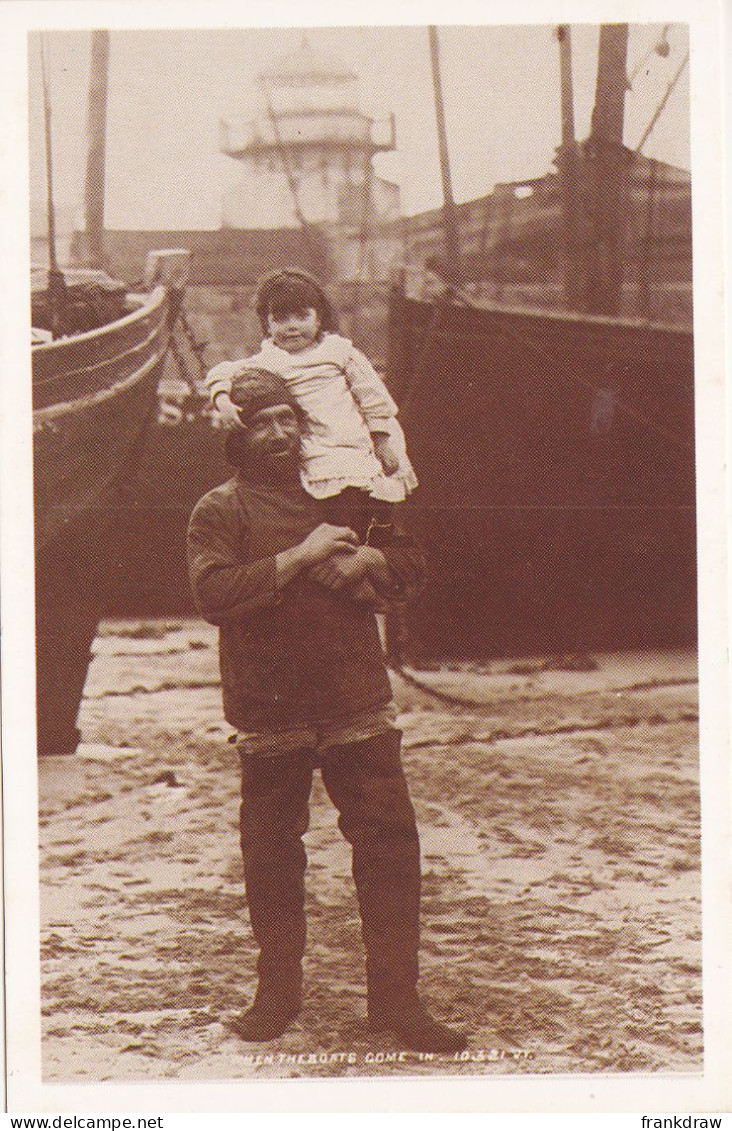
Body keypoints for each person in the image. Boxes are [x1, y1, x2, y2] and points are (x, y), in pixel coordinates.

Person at [187, 369, 467, 1053]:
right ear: (238, 434)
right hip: (269, 708)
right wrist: (302, 554)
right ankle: (276, 994)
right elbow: (215, 595)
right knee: (272, 855)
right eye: (263, 422)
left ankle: (398, 1001)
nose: (280, 433)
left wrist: (368, 557)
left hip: (355, 701)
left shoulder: (344, 493)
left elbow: (412, 561)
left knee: (390, 849)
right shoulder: (219, 509)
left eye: (288, 418)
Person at [204, 268, 418, 544]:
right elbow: (222, 371)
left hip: (356, 434)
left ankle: (376, 541)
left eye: (302, 316)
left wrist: (381, 439)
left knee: (373, 493)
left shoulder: (339, 352)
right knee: (331, 502)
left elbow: (372, 395)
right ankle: (339, 543)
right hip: (315, 441)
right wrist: (222, 399)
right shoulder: (269, 359)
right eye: (280, 319)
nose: (292, 326)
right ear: (267, 325)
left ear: (319, 319)